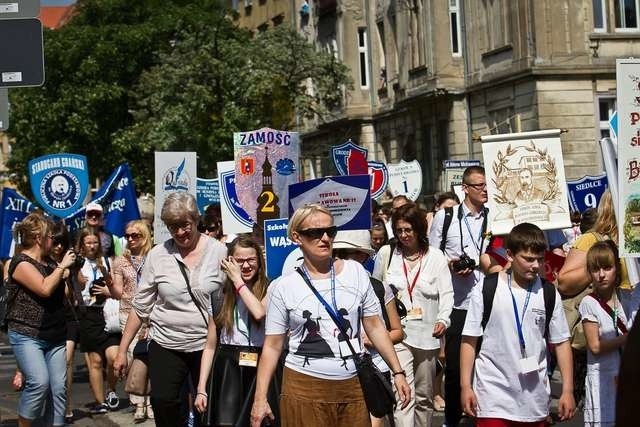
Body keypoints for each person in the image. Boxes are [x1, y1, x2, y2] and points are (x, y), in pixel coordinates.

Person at [249, 204, 411, 427]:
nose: (325, 238)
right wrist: (260, 399)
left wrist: (398, 371)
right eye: (315, 233)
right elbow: (273, 346)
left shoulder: (356, 273)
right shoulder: (283, 286)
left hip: (353, 385)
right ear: (296, 237)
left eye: (330, 231)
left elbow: (374, 326)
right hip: (303, 386)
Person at [113, 192, 227, 427]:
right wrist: (122, 350)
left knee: (208, 408)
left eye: (184, 225)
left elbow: (229, 299)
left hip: (206, 344)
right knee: (164, 403)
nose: (179, 232)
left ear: (196, 220)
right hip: (166, 343)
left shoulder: (218, 252)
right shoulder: (158, 255)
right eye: (172, 227)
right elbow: (141, 306)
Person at [460, 222, 576, 427]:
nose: (536, 266)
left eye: (540, 259)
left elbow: (561, 343)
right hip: (492, 398)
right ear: (510, 255)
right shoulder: (487, 288)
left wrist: (567, 390)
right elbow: (469, 340)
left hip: (535, 402)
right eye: (529, 259)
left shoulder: (548, 292)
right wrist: (465, 386)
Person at [373, 204, 453, 427]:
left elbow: (447, 294)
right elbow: (375, 291)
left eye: (408, 230)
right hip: (398, 336)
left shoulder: (436, 257)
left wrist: (443, 319)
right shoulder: (387, 254)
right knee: (403, 396)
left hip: (428, 336)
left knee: (425, 398)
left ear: (419, 229)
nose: (404, 235)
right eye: (399, 230)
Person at [428, 165, 489, 427]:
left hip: (487, 300)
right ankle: (452, 420)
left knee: (484, 365)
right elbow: (432, 256)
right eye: (479, 185)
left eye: (487, 185)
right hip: (457, 303)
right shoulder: (447, 216)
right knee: (453, 369)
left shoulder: (494, 216)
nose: (485, 190)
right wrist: (450, 265)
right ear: (465, 188)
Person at [194, 235, 276, 426]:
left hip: (261, 364)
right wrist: (201, 388)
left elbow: (258, 312)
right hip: (228, 366)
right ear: (230, 261)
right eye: (240, 261)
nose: (246, 265)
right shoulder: (219, 295)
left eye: (251, 260)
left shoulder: (271, 288)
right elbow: (210, 346)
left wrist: (237, 280)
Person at [5, 212, 77, 426]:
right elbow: (44, 289)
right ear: (38, 238)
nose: (53, 242)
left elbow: (64, 297)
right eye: (50, 237)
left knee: (58, 389)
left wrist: (64, 273)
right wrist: (62, 267)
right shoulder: (19, 263)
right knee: (39, 383)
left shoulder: (50, 263)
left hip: (55, 334)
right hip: (27, 334)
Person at [333, 229, 404, 427]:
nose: (342, 260)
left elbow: (397, 331)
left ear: (363, 256)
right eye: (340, 254)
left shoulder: (379, 287)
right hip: (340, 369)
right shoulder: (326, 287)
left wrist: (373, 341)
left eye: (350, 254)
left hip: (375, 367)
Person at [579, 240, 630, 427]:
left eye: (607, 268)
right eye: (595, 269)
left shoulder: (627, 298)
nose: (601, 275)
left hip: (626, 377)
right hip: (603, 379)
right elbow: (595, 346)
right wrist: (627, 339)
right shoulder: (589, 303)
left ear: (616, 268)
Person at [110, 220, 154, 422]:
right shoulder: (120, 261)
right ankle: (138, 402)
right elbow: (118, 293)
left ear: (145, 236)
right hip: (128, 313)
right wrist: (109, 284)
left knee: (152, 357)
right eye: (127, 235)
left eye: (135, 235)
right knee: (133, 356)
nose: (130, 239)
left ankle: (152, 401)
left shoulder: (154, 258)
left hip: (153, 314)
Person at [75, 227, 121, 414]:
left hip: (108, 313)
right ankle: (100, 402)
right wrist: (77, 279)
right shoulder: (77, 264)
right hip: (89, 313)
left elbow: (117, 288)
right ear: (82, 245)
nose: (92, 246)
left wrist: (106, 275)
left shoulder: (108, 262)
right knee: (94, 360)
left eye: (95, 242)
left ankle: (111, 389)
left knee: (113, 358)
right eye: (88, 243)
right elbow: (74, 287)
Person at [49, 222, 79, 424]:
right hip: (50, 318)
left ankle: (66, 404)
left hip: (70, 318)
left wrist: (72, 276)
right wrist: (60, 272)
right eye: (55, 242)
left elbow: (74, 295)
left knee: (67, 361)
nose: (58, 247)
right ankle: (52, 404)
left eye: (62, 243)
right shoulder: (45, 263)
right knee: (51, 368)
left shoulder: (73, 262)